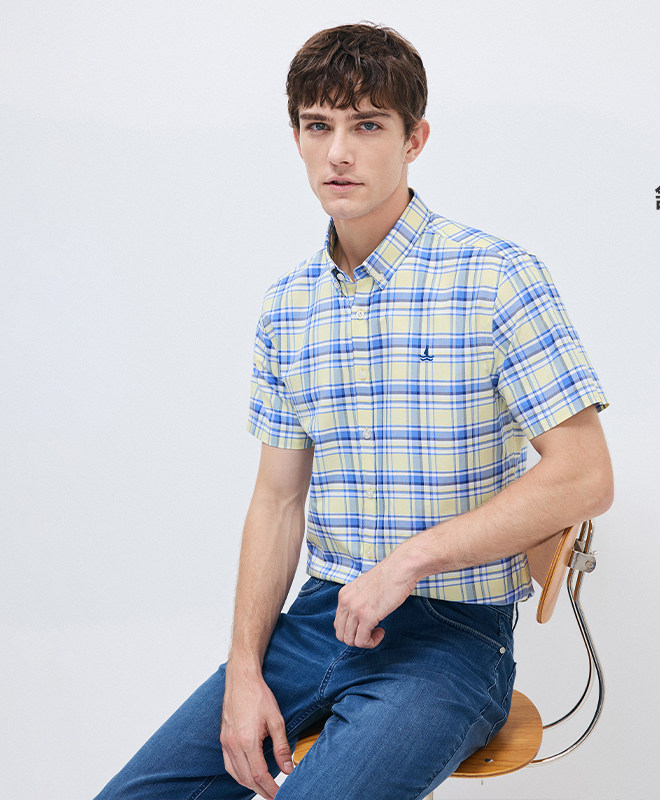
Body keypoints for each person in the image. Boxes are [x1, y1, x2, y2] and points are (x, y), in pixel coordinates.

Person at [93, 22, 613, 800]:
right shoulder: (288, 306)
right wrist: (244, 673)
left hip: (451, 637)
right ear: (297, 139)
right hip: (315, 622)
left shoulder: (497, 277)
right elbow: (277, 501)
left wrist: (406, 564)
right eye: (318, 126)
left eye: (367, 125)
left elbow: (586, 476)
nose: (338, 152)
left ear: (415, 139)